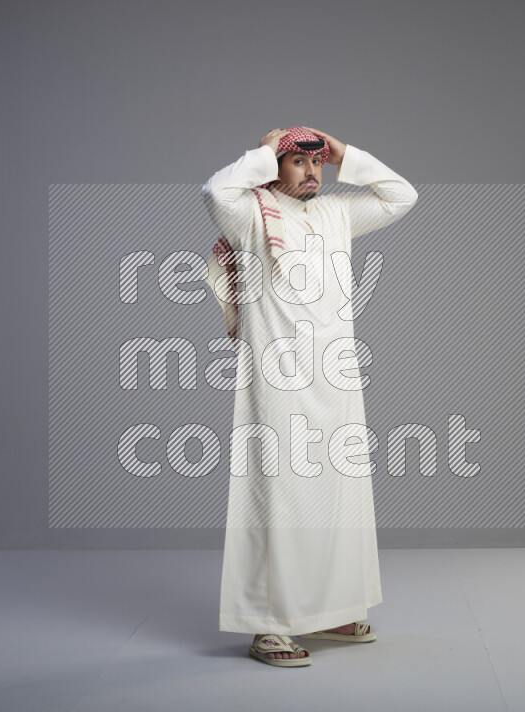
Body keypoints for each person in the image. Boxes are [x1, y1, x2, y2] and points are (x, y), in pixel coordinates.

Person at [201, 126, 418, 667]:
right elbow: (214, 192)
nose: (312, 171)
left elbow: (402, 196)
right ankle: (268, 625)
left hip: (335, 376)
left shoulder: (336, 213)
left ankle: (334, 609)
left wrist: (346, 153)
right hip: (277, 381)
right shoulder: (251, 215)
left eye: (317, 163)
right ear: (275, 167)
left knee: (340, 495)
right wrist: (265, 149)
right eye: (298, 162)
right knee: (280, 497)